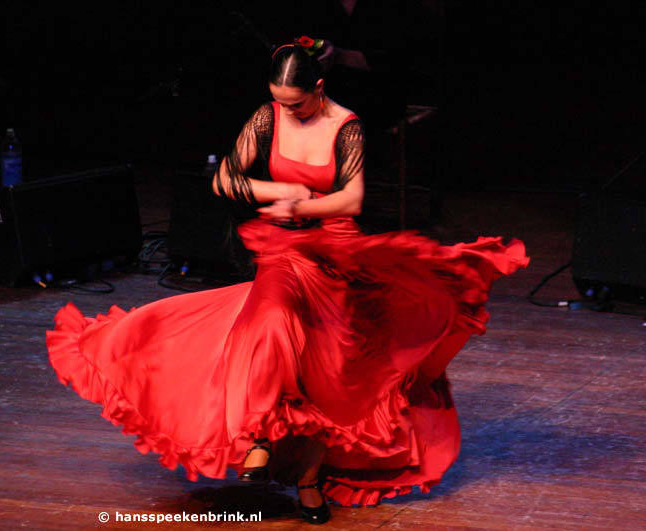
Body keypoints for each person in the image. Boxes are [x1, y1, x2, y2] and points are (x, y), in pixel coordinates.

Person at [47, 39, 529, 525]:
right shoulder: (266, 117)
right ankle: (258, 437)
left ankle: (308, 479)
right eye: (279, 99)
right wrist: (278, 189)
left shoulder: (347, 127)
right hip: (283, 251)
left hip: (334, 251)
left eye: (295, 101)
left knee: (328, 370)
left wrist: (303, 204)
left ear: (318, 88)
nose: (285, 109)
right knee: (272, 322)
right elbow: (225, 178)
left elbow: (351, 200)